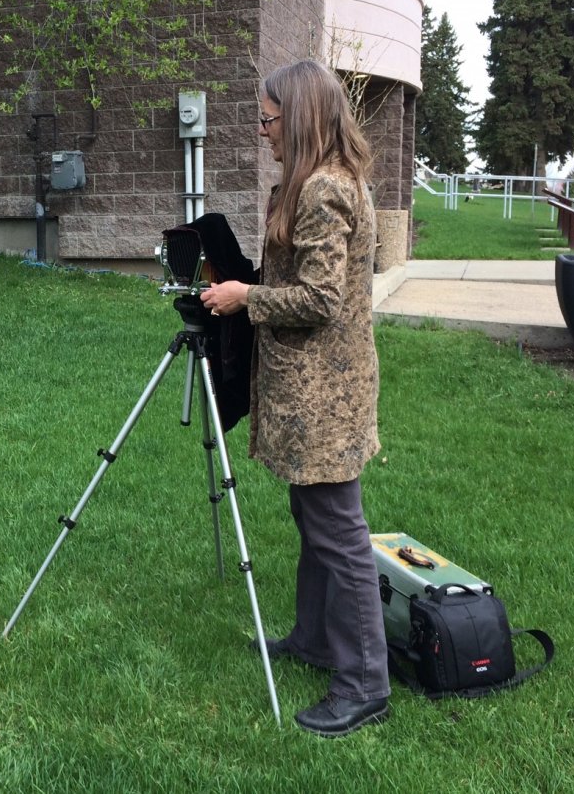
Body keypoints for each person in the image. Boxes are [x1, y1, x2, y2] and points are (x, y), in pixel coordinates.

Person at [199, 59, 389, 738]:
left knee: (339, 532)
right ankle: (312, 637)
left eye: (269, 119)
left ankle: (366, 680)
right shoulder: (320, 182)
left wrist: (244, 297)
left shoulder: (326, 191)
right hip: (319, 389)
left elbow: (320, 299)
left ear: (301, 117)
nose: (261, 131)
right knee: (314, 517)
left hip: (325, 394)